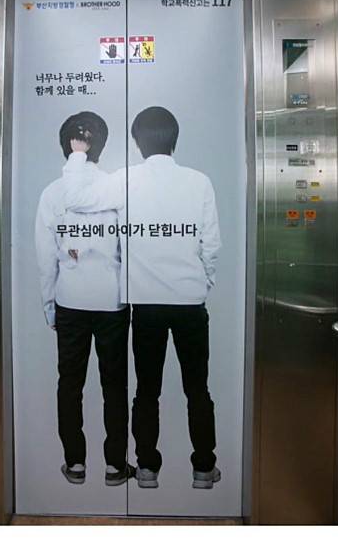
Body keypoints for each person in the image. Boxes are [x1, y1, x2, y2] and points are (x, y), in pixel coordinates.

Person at [62, 106, 222, 490]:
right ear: (174, 139)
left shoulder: (127, 179)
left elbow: (77, 198)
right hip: (189, 303)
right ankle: (203, 468)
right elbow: (211, 245)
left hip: (146, 304)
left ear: (137, 142)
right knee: (197, 389)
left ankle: (147, 468)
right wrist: (202, 283)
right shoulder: (199, 182)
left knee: (147, 391)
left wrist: (78, 155)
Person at [35, 111, 135, 487]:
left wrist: (49, 306)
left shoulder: (52, 193)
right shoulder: (115, 189)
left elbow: (46, 258)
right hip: (112, 302)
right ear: (102, 145)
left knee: (70, 383)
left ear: (67, 145)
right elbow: (130, 248)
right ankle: (115, 466)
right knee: (115, 385)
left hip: (69, 300)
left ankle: (75, 463)